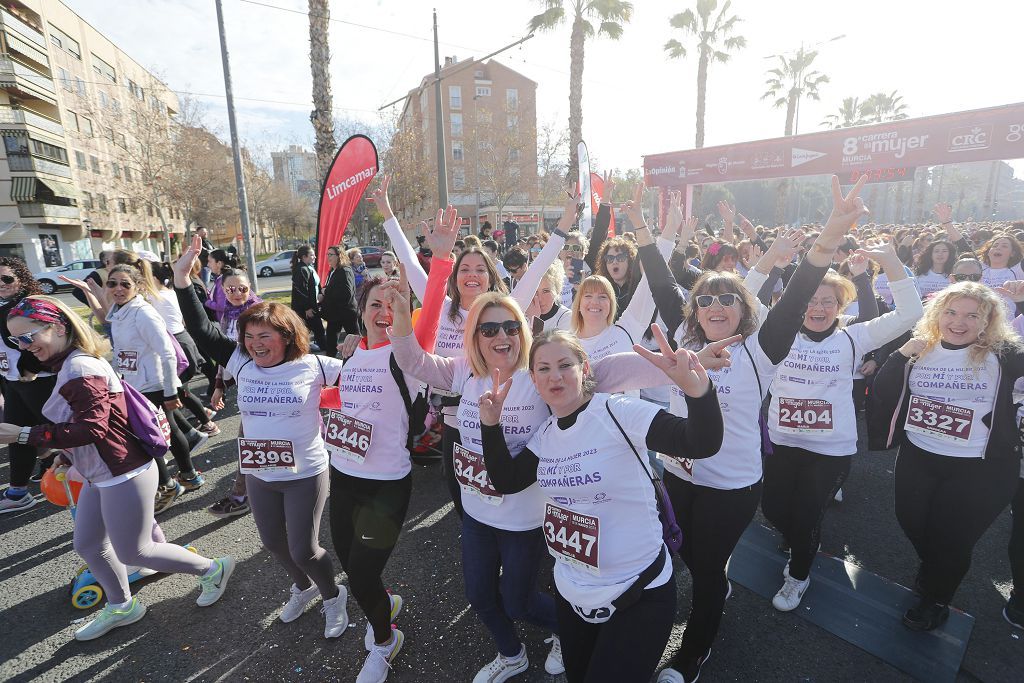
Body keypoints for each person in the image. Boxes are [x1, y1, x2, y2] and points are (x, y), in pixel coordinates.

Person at [641, 178, 867, 683]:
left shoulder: (761, 350)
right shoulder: (681, 338)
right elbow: (658, 276)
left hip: (731, 485)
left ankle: (690, 656)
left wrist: (831, 231)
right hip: (679, 474)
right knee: (687, 558)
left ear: (744, 308)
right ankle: (714, 589)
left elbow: (803, 288)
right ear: (693, 311)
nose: (715, 305)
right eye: (705, 300)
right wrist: (642, 226)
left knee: (703, 573)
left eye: (728, 298)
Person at [479, 329, 724, 683]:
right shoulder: (546, 435)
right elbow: (507, 480)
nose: (555, 376)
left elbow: (701, 441)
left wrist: (698, 392)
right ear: (533, 379)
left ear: (585, 368)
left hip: (637, 592)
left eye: (565, 365)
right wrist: (491, 425)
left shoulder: (618, 412)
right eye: (543, 368)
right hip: (572, 593)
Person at [3, 296, 234, 640]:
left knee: (135, 551)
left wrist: (22, 434)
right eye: (15, 340)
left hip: (123, 471)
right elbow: (93, 424)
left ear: (58, 327)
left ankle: (213, 568)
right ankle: (123, 605)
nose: (24, 346)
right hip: (105, 470)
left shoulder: (79, 368)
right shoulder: (67, 365)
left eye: (28, 336)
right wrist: (65, 455)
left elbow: (92, 428)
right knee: (89, 544)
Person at [174, 235, 349, 640]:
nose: (255, 345)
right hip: (259, 472)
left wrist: (367, 344)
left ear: (287, 336)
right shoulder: (241, 362)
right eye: (249, 338)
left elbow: (369, 378)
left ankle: (331, 595)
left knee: (305, 549)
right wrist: (183, 280)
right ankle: (303, 588)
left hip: (305, 471)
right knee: (273, 544)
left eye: (264, 337)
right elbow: (201, 330)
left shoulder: (315, 365)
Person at [755, 198, 924, 613]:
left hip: (830, 450)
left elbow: (910, 314)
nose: (818, 307)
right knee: (775, 509)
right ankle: (795, 537)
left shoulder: (854, 336)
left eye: (829, 301)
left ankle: (798, 575)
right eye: (811, 300)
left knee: (807, 513)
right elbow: (746, 299)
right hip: (781, 441)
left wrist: (894, 266)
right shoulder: (777, 332)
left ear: (840, 306)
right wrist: (773, 260)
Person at [375, 174, 569, 515]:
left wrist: (565, 221)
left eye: (480, 268)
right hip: (451, 419)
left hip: (506, 418)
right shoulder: (437, 306)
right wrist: (387, 213)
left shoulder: (508, 309)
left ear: (489, 276)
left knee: (507, 491)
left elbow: (538, 268)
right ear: (455, 275)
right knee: (463, 497)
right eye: (465, 267)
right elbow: (406, 258)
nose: (472, 274)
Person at [869, 280, 1024, 631]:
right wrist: (900, 354)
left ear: (988, 321)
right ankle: (937, 567)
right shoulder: (921, 348)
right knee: (911, 522)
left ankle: (936, 600)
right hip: (920, 456)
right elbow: (881, 391)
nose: (959, 322)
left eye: (973, 315)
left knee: (952, 540)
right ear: (937, 314)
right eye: (951, 312)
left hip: (980, 468)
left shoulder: (1004, 353)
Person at [327, 269, 443, 683]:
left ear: (403, 312)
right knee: (355, 570)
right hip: (341, 477)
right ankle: (384, 601)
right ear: (361, 311)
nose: (383, 311)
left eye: (392, 304)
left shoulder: (407, 353)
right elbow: (341, 400)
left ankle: (384, 641)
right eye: (375, 303)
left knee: (359, 576)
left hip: (386, 486)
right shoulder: (353, 351)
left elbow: (428, 313)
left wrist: (442, 259)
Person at [102, 264, 205, 509]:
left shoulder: (142, 313)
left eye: (125, 284)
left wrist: (170, 392)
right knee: (166, 429)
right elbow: (123, 352)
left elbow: (167, 353)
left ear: (137, 286)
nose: (118, 288)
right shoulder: (119, 311)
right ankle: (188, 476)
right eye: (112, 283)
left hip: (153, 385)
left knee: (145, 437)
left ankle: (169, 485)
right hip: (135, 384)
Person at [206, 267, 262, 519]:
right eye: (231, 289)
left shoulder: (259, 313)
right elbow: (225, 355)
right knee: (252, 441)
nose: (238, 293)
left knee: (248, 441)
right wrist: (220, 384)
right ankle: (255, 491)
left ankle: (242, 496)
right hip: (244, 386)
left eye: (243, 288)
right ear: (222, 290)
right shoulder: (227, 315)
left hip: (264, 384)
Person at [0, 258, 54, 512]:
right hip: (11, 381)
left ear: (21, 278)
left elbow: (45, 339)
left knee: (63, 430)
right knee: (16, 434)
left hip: (38, 381)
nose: (1, 284)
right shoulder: (2, 304)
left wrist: (31, 369)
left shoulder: (30, 304)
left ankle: (98, 477)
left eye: (7, 278)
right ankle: (18, 492)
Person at [319, 245, 359, 357]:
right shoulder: (332, 270)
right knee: (331, 340)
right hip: (334, 314)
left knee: (355, 339)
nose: (328, 257)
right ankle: (330, 362)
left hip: (346, 312)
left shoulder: (344, 271)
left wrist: (326, 292)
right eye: (327, 254)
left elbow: (346, 293)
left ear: (339, 256)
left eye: (331, 254)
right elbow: (332, 287)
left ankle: (362, 360)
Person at [291, 245, 325, 351]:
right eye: (311, 255)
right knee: (317, 329)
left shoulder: (309, 267)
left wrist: (320, 293)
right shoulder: (301, 269)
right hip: (305, 308)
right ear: (304, 257)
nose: (314, 257)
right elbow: (302, 291)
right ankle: (327, 350)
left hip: (312, 305)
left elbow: (315, 284)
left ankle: (308, 348)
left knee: (311, 329)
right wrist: (307, 308)